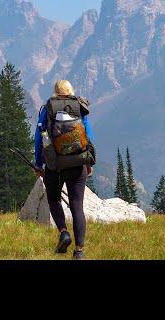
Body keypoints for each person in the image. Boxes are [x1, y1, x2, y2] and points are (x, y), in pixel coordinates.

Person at [34, 79, 95, 260]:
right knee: (77, 206)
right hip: (78, 164)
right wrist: (88, 163)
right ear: (70, 91)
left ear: (55, 92)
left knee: (54, 200)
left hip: (55, 164)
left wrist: (39, 164)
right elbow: (88, 136)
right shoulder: (79, 107)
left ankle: (63, 232)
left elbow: (39, 138)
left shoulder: (48, 109)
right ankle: (79, 251)